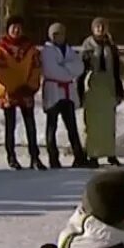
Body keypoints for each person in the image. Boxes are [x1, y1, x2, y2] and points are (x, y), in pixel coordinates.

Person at [0, 16, 46, 170]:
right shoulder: (1, 49)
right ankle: (11, 156)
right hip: (9, 91)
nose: (16, 30)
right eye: (13, 27)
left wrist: (30, 86)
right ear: (8, 29)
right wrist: (11, 87)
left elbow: (36, 68)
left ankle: (34, 157)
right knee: (10, 125)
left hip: (26, 90)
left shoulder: (30, 48)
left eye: (19, 28)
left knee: (30, 125)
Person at [41, 22, 88, 169]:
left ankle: (79, 156)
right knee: (52, 126)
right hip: (53, 91)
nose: (58, 37)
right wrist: (68, 71)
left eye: (60, 34)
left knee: (72, 126)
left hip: (67, 92)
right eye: (55, 34)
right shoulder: (47, 51)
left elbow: (79, 67)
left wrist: (65, 68)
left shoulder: (69, 50)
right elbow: (52, 70)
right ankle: (53, 158)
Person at [80, 18, 124, 167]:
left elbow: (117, 69)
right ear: (93, 29)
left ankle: (110, 153)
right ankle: (93, 154)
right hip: (93, 85)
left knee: (109, 123)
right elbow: (81, 70)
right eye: (97, 26)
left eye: (103, 26)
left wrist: (119, 89)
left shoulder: (111, 46)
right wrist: (79, 90)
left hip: (108, 85)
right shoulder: (88, 46)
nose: (100, 29)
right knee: (93, 123)